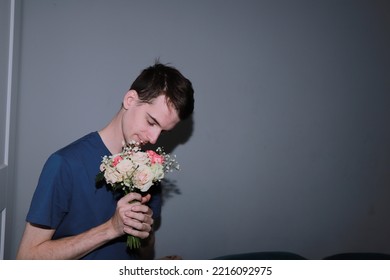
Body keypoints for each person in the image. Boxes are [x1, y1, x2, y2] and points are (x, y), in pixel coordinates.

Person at [16, 62, 194, 260]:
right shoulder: (65, 164)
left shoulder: (149, 170)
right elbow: (25, 259)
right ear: (130, 99)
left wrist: (145, 232)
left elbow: (144, 253)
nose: (153, 138)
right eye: (151, 122)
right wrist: (111, 228)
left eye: (163, 131)